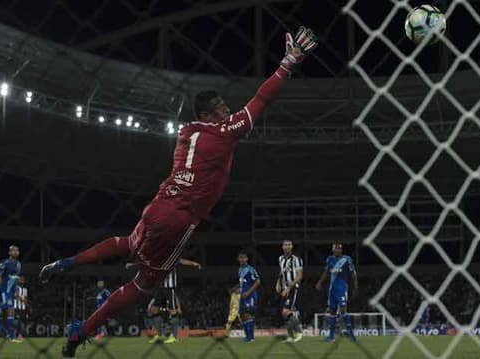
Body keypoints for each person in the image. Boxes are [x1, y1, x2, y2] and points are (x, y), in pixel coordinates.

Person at [39, 26, 317, 357]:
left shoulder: (186, 133)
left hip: (158, 204)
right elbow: (260, 100)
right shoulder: (223, 133)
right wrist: (288, 62)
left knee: (127, 243)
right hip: (179, 219)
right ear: (207, 115)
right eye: (220, 107)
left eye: (225, 105)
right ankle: (80, 333)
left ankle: (67, 262)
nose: (227, 110)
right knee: (142, 286)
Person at [147, 258, 202, 343]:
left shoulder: (171, 255)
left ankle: (174, 337)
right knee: (154, 309)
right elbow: (146, 261)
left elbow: (181, 261)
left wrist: (193, 263)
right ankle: (159, 335)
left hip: (170, 287)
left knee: (173, 311)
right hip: (160, 287)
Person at [315, 243, 358, 343]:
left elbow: (353, 274)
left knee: (343, 310)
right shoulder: (329, 259)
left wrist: (355, 287)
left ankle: (351, 335)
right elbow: (326, 272)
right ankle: (331, 336)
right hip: (332, 290)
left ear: (341, 250)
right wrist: (320, 282)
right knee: (332, 312)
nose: (338, 250)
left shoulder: (347, 259)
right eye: (336, 248)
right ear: (333, 250)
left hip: (342, 288)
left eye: (339, 248)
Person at [0, 245, 22, 343]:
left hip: (10, 292)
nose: (15, 252)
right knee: (7, 312)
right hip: (4, 292)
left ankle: (6, 336)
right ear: (9, 253)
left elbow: (14, 279)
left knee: (8, 313)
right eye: (13, 250)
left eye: (17, 250)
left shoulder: (19, 265)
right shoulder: (5, 263)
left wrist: (16, 292)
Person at [275, 240, 303, 342]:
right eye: (285, 245)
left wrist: (289, 288)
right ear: (282, 247)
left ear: (292, 247)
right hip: (284, 288)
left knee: (286, 311)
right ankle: (291, 336)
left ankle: (299, 332)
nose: (287, 247)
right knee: (283, 313)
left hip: (293, 287)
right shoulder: (281, 258)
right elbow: (281, 272)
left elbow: (299, 275)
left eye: (289, 245)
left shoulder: (297, 259)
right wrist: (278, 283)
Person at [230, 252, 260, 342]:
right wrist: (234, 288)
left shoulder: (250, 269)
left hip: (250, 295)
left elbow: (258, 281)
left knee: (248, 314)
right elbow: (241, 283)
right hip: (242, 295)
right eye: (240, 258)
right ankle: (247, 335)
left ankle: (250, 337)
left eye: (244, 258)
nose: (242, 259)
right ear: (238, 259)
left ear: (247, 259)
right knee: (242, 314)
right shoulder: (240, 270)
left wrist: (248, 292)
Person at [14, 275, 30, 341]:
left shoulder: (25, 289)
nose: (22, 280)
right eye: (20, 279)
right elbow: (15, 296)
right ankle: (17, 335)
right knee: (17, 322)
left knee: (23, 322)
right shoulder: (15, 288)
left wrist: (28, 305)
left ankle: (19, 335)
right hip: (16, 307)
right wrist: (21, 298)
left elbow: (25, 298)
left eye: (23, 279)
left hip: (23, 308)